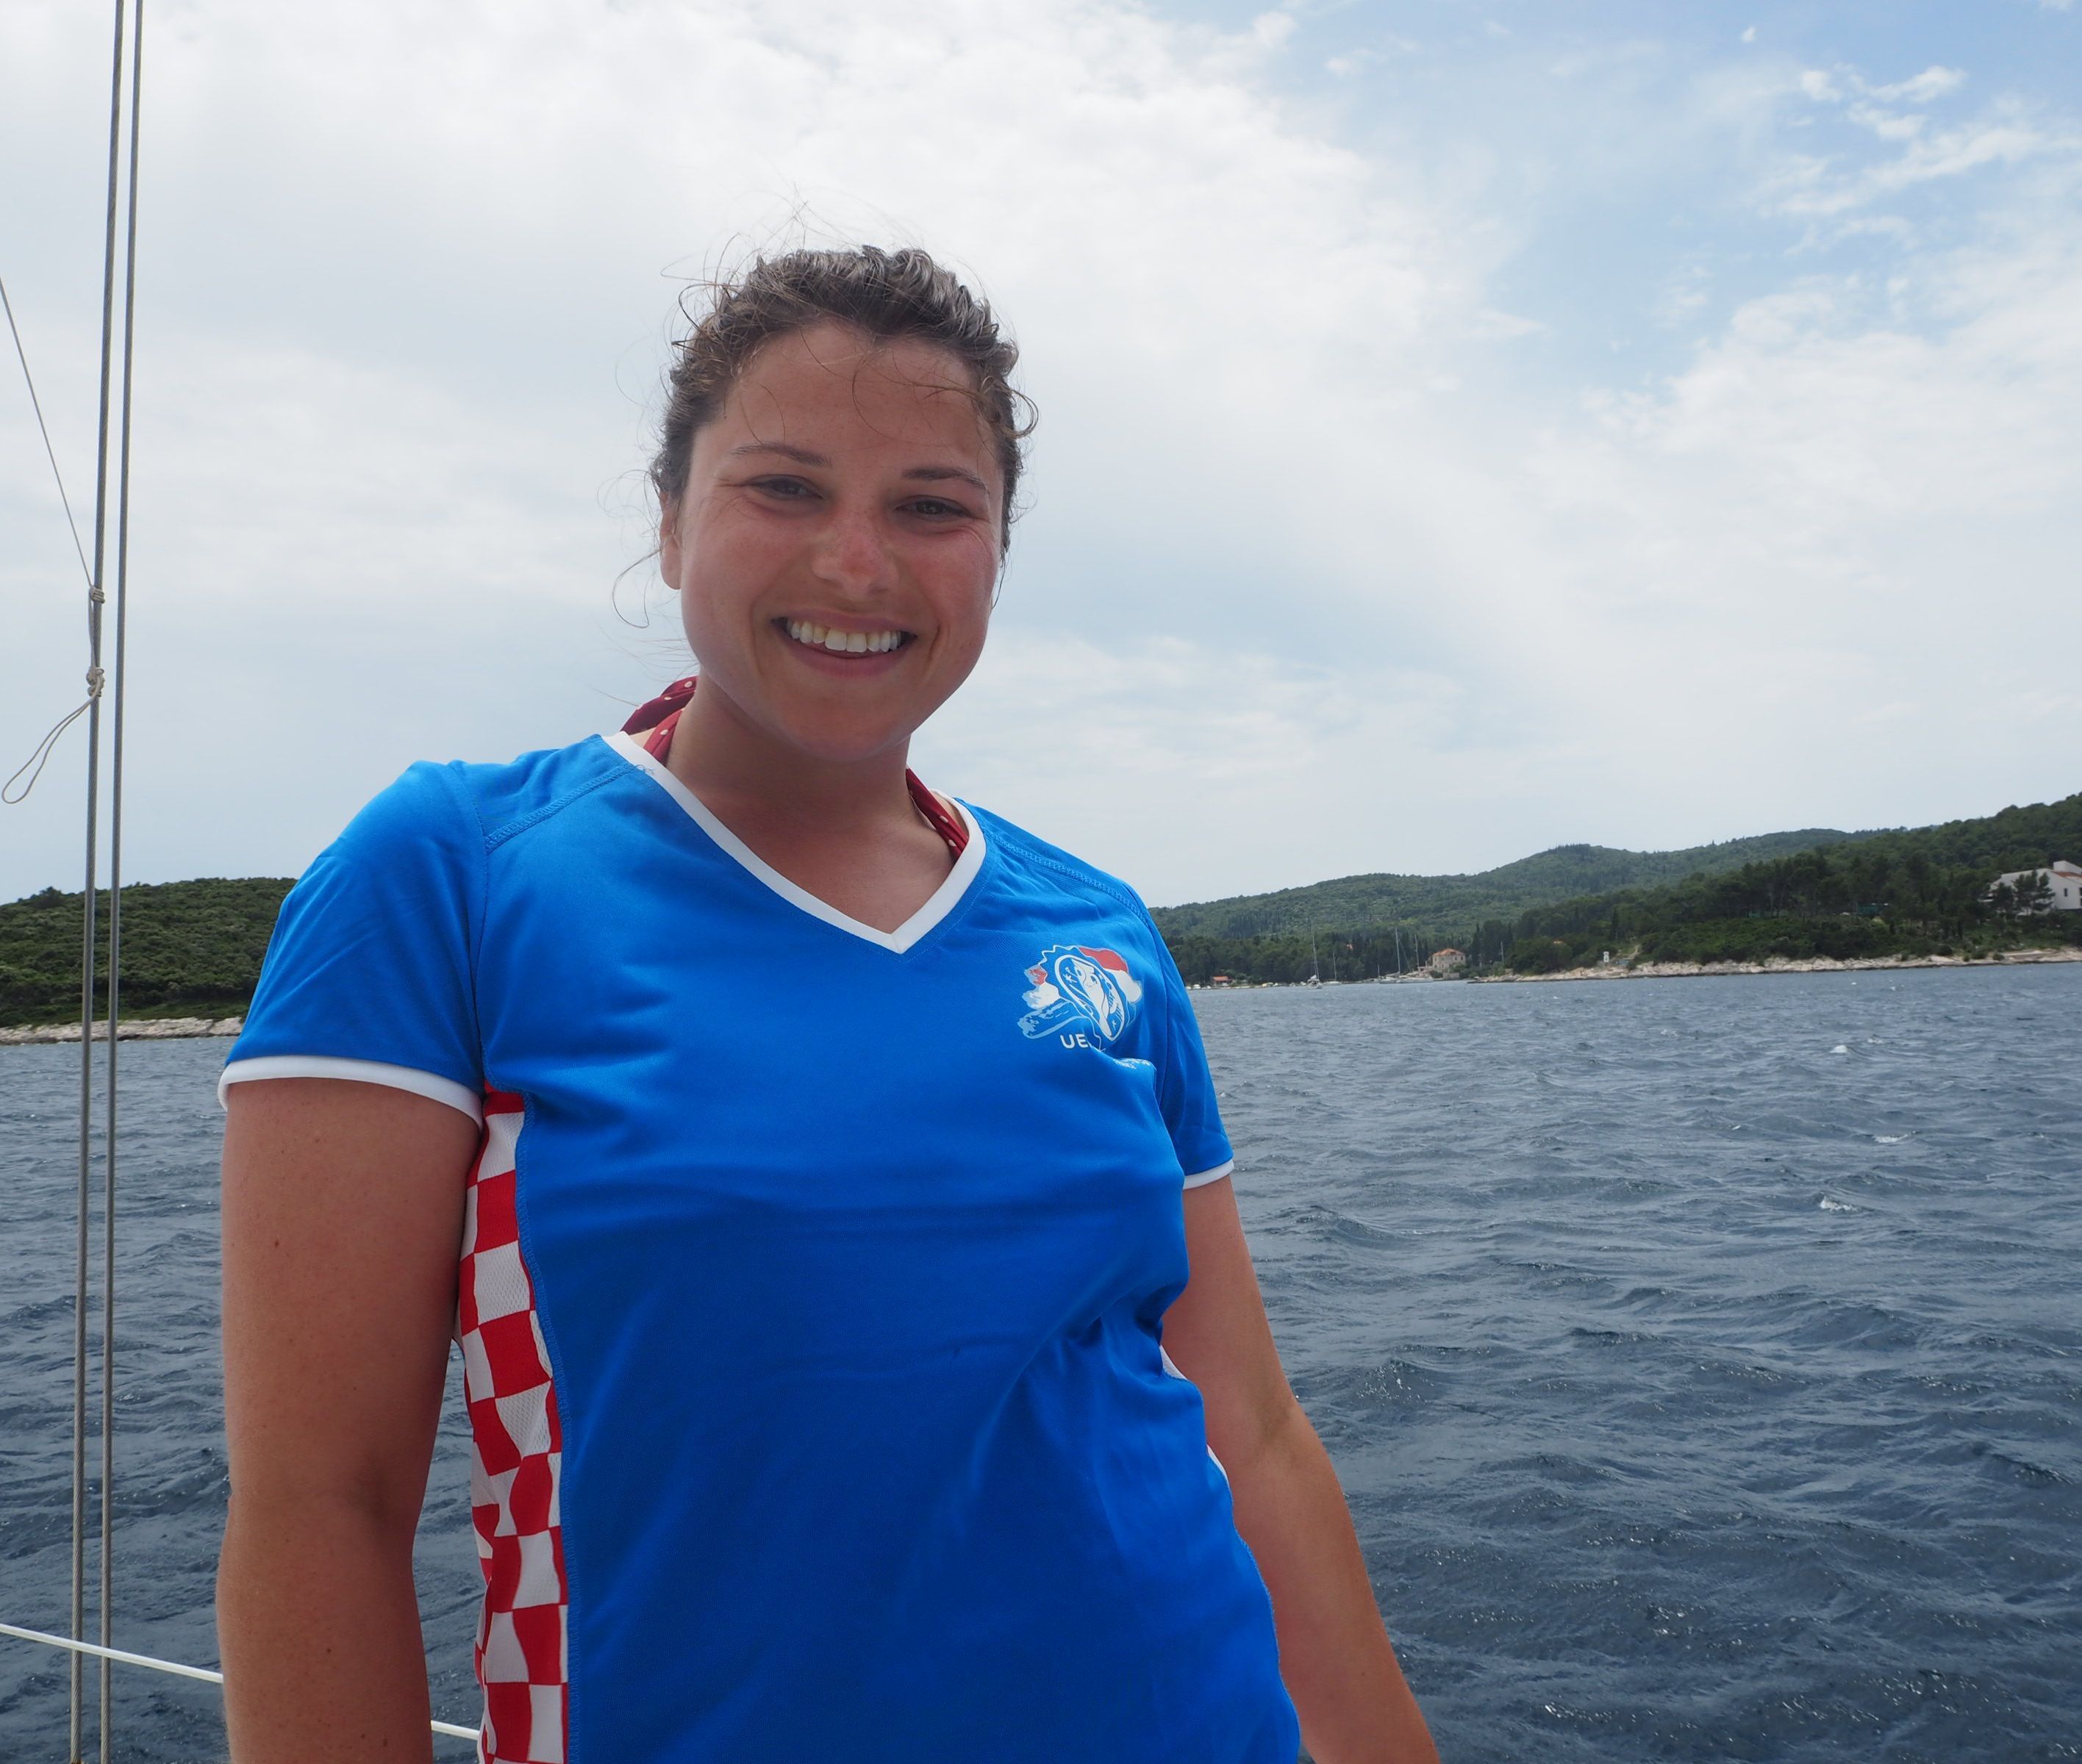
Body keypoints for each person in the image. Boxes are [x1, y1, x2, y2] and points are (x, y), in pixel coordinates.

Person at [215, 245, 1440, 1764]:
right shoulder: (452, 877)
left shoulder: (1098, 930)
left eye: (932, 506)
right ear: (671, 522)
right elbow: (320, 1506)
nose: (858, 564)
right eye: (785, 488)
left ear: (996, 553)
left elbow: (1246, 1425)